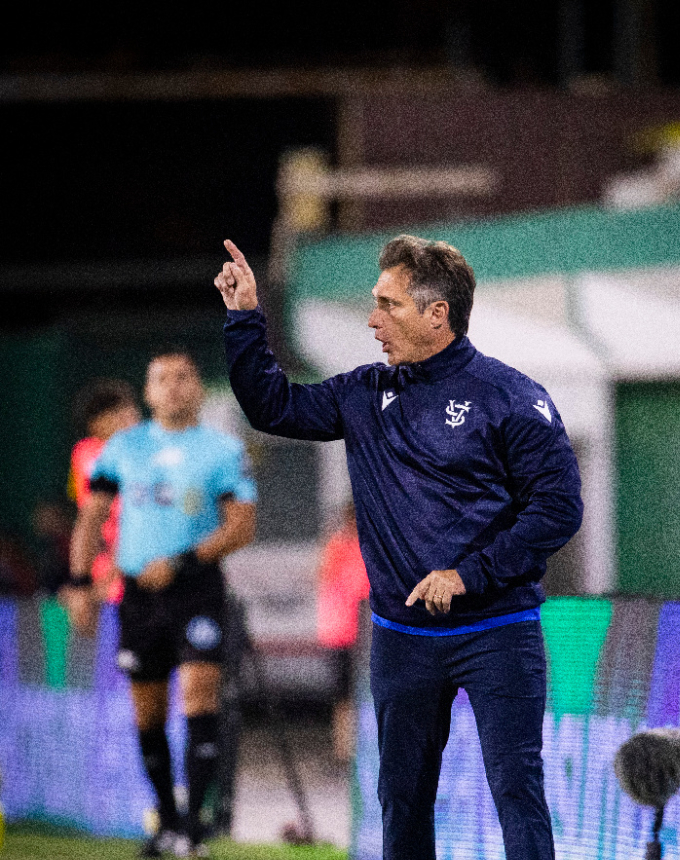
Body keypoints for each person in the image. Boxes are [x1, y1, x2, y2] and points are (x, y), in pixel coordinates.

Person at [216, 235, 583, 860]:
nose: (372, 319)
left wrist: (468, 575)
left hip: (498, 632)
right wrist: (246, 318)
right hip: (402, 637)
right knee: (402, 799)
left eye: (388, 304)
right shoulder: (364, 393)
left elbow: (558, 509)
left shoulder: (512, 397)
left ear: (437, 313)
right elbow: (272, 407)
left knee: (516, 789)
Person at [67, 349, 257, 858]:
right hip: (138, 597)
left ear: (197, 389)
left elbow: (241, 526)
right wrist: (80, 583)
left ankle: (194, 827)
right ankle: (167, 823)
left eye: (184, 377)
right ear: (147, 393)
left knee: (199, 694)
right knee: (148, 712)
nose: (174, 386)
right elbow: (91, 517)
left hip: (197, 589)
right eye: (162, 379)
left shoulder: (222, 450)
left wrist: (181, 563)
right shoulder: (122, 449)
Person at [68, 378, 141, 606]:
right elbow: (89, 517)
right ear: (96, 423)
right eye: (119, 413)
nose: (131, 417)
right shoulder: (84, 453)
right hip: (105, 565)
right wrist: (85, 581)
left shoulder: (146, 450)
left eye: (131, 409)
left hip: (141, 565)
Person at [316, 500, 369, 763]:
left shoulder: (363, 547)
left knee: (357, 694)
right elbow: (327, 578)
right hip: (342, 632)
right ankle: (344, 750)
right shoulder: (340, 546)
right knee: (344, 695)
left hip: (359, 633)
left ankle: (355, 748)